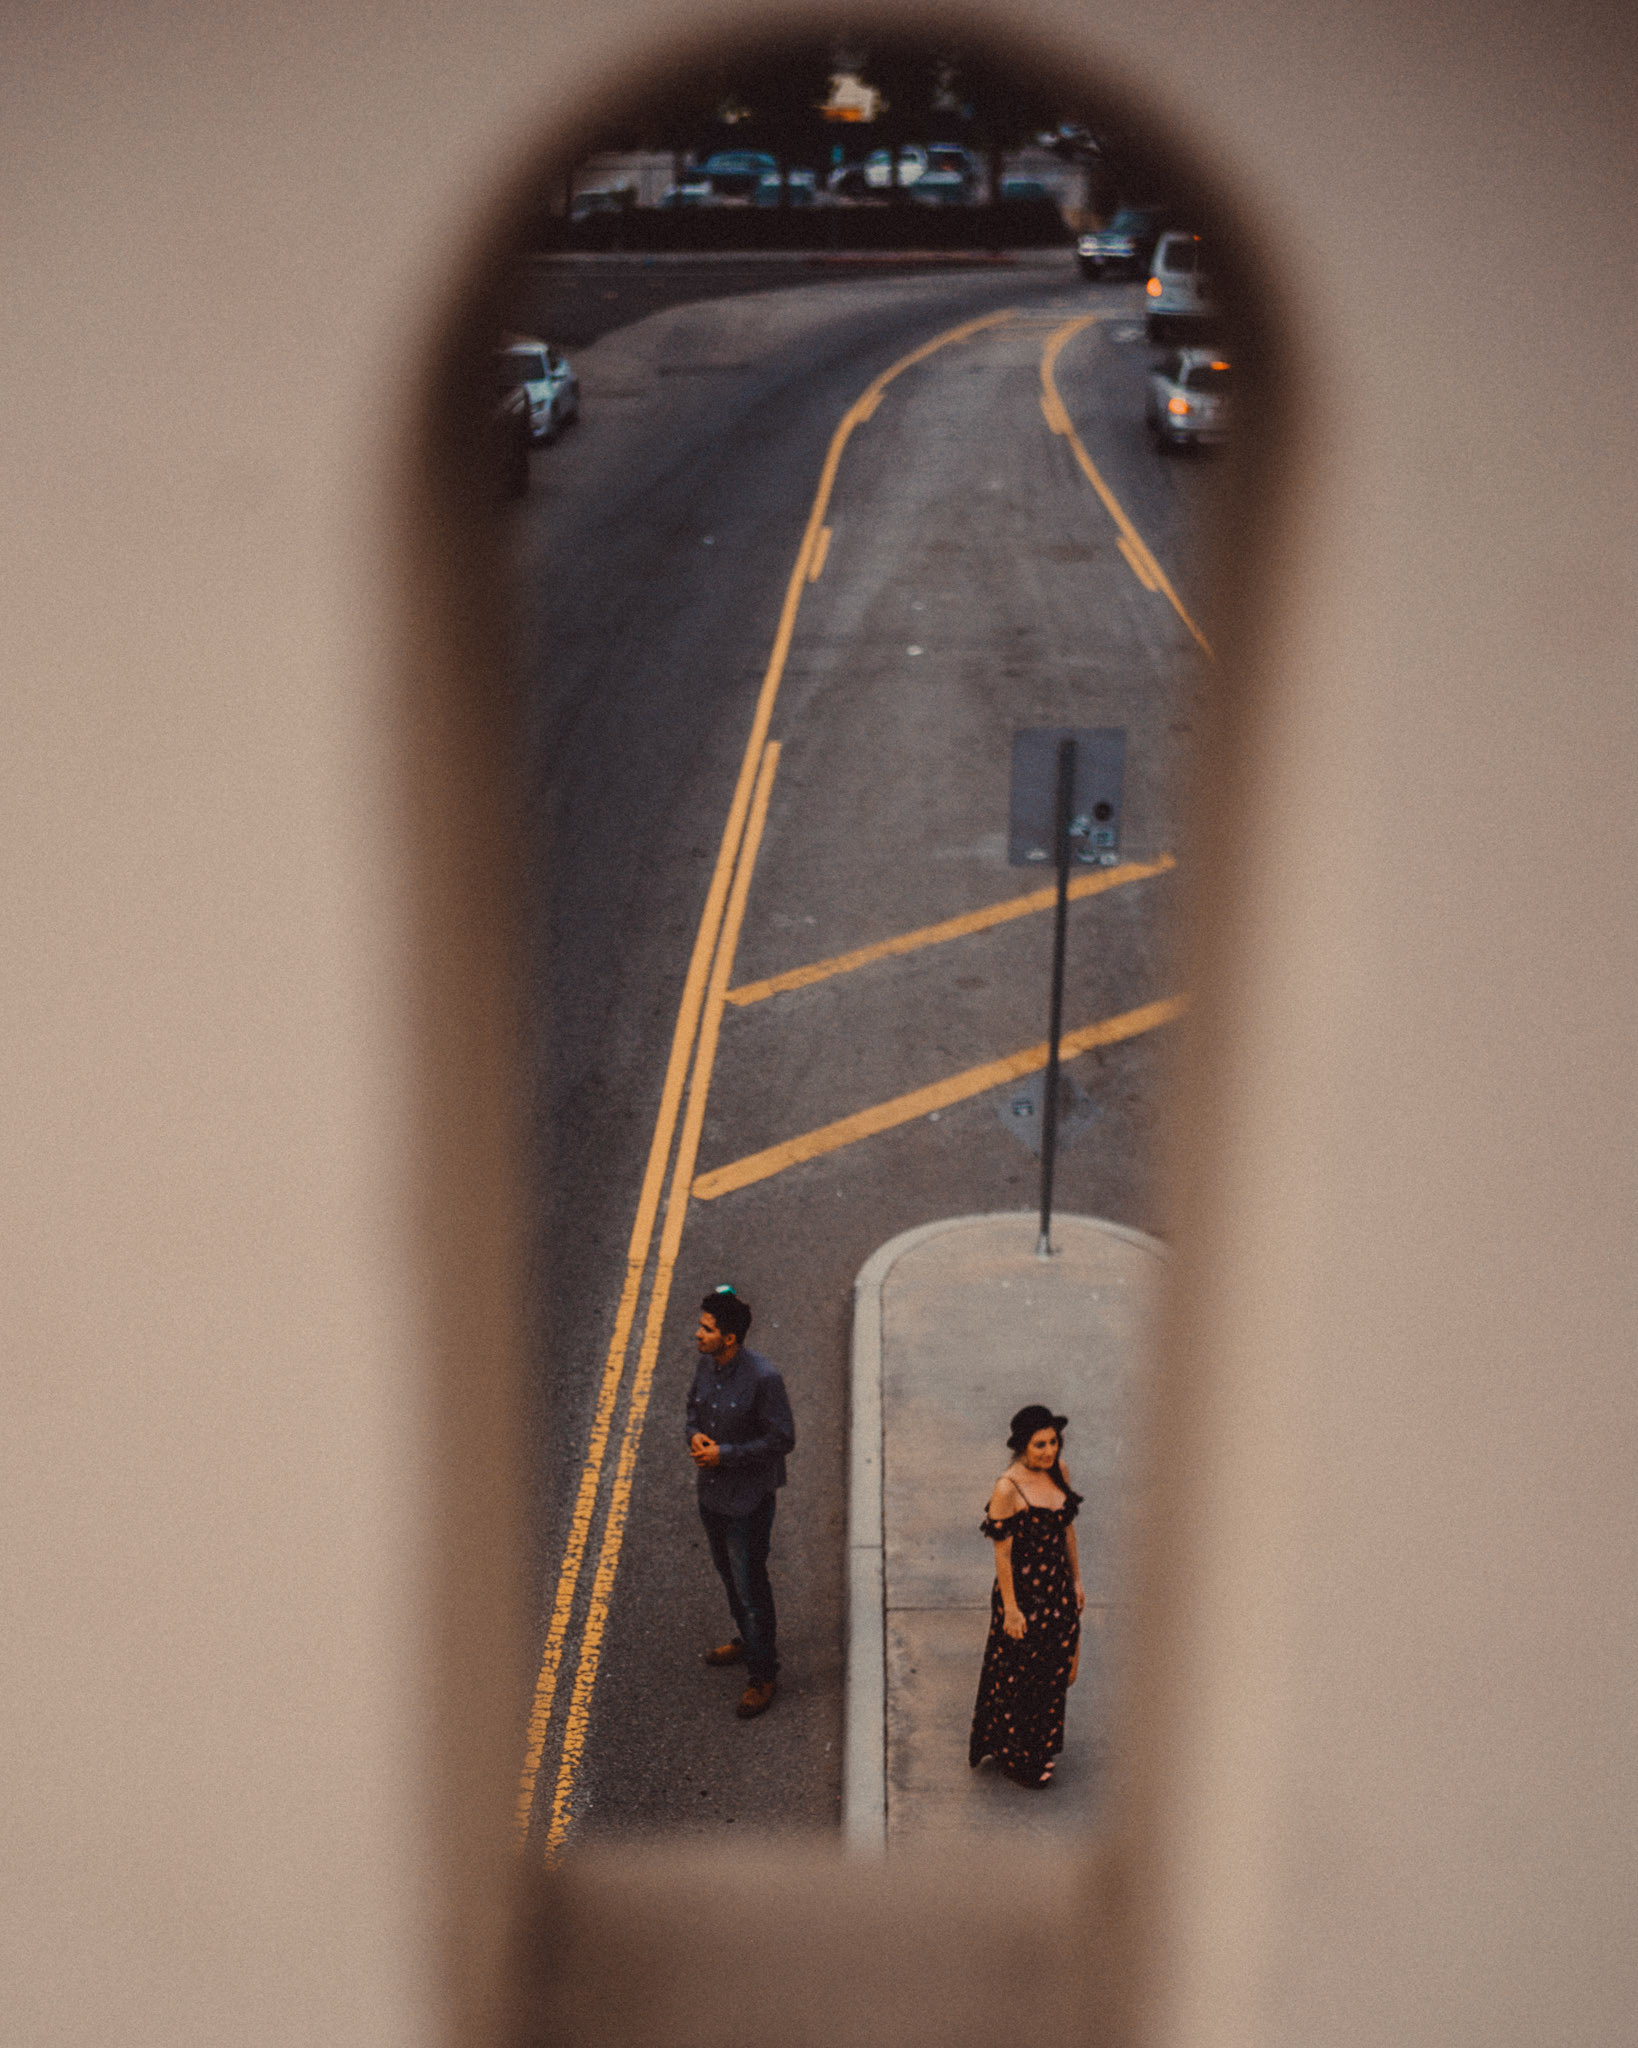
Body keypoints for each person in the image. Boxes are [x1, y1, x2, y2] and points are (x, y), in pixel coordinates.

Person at [686, 1285, 795, 1720]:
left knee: (751, 1586)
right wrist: (693, 1434)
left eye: (707, 1329)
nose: (698, 1334)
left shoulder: (764, 1378)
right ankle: (748, 1639)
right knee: (728, 1575)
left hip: (746, 1502)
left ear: (729, 1338)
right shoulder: (707, 1365)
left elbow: (782, 1438)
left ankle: (763, 1672)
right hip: (712, 1494)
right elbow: (692, 1410)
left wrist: (725, 1455)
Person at [968, 1404, 1086, 1787]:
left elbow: (1067, 1533)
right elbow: (1002, 1553)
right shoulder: (1008, 1488)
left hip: (1056, 1588)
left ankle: (1041, 1746)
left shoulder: (1060, 1473)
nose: (1049, 1451)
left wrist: (1077, 1582)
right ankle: (1017, 1757)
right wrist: (1012, 1610)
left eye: (1053, 1442)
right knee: (1021, 1677)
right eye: (1040, 1445)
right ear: (1022, 1446)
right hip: (1023, 1595)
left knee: (1053, 1671)